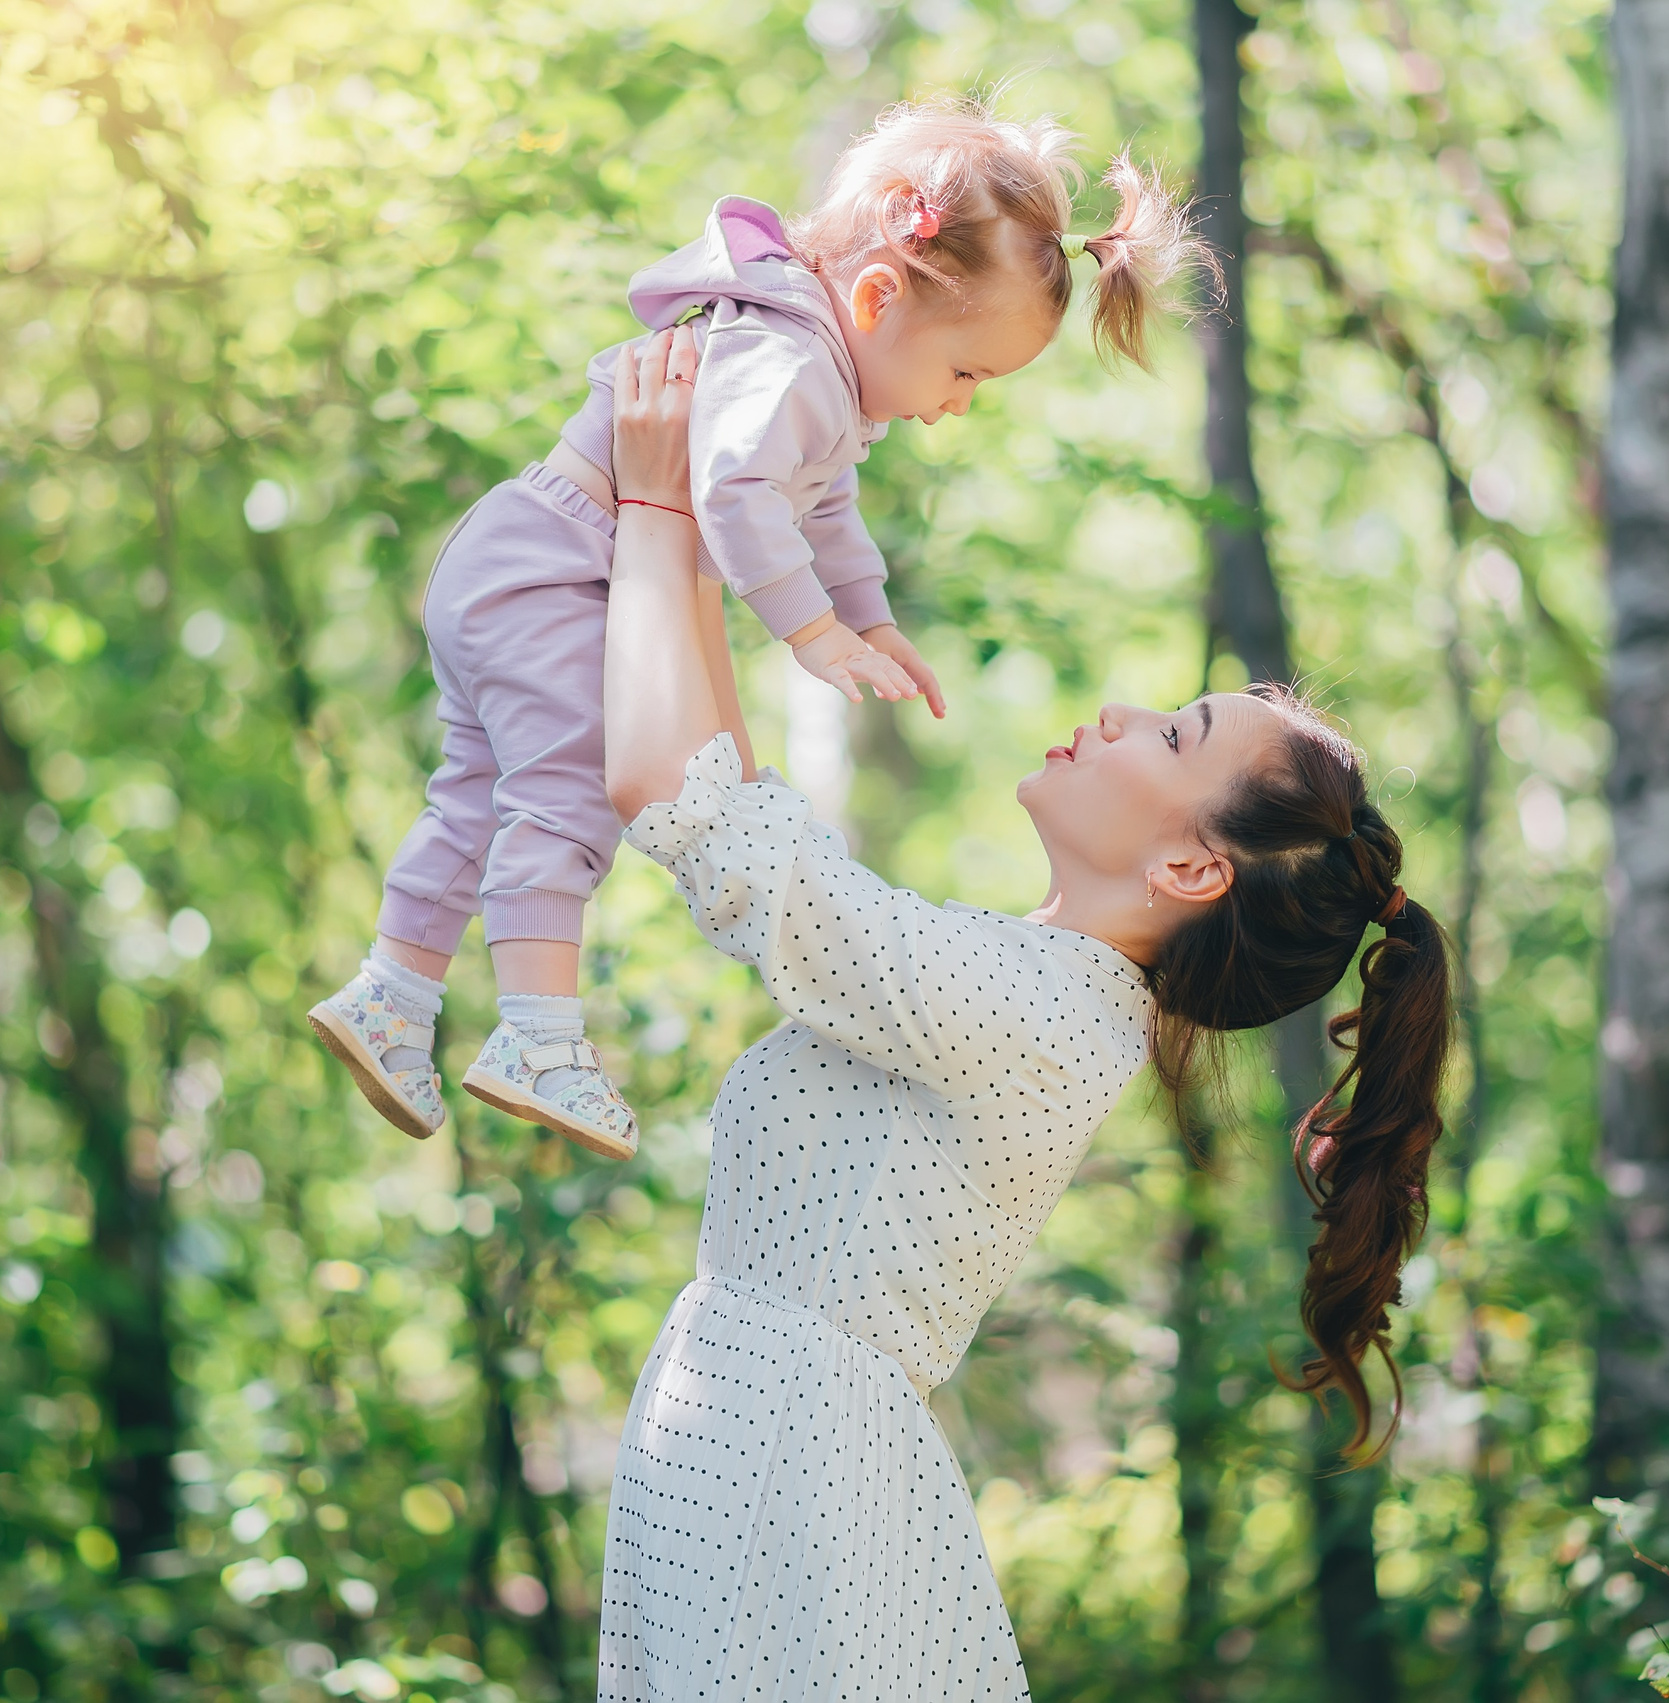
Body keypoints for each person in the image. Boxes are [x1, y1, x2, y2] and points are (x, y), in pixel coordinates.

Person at [587, 326, 1455, 1698]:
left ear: (1189, 867)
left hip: (797, 1484)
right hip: (764, 1454)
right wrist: (698, 519)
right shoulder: (1031, 985)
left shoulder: (1038, 1014)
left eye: (1172, 735)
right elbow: (735, 801)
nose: (1118, 712)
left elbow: (671, 795)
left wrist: (647, 506)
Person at [309, 95, 1195, 1161]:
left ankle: (389, 994)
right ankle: (536, 1034)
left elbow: (823, 511)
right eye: (966, 373)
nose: (958, 405)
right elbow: (734, 498)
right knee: (566, 793)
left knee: (472, 796)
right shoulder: (791, 363)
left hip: (519, 556)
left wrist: (870, 617)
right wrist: (813, 633)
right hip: (556, 566)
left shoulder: (812, 365)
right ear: (876, 296)